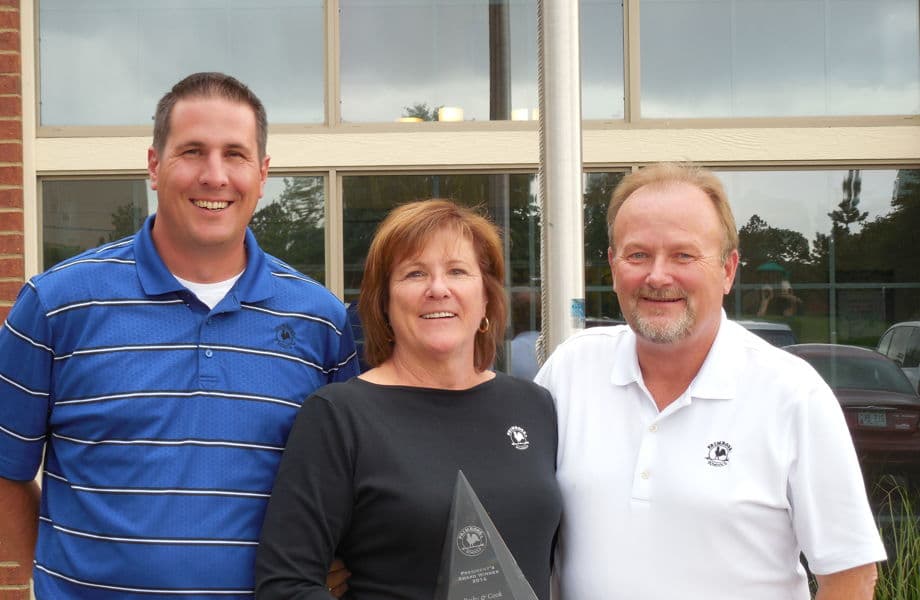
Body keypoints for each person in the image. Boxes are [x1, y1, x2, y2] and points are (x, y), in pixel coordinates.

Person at [0, 72, 359, 598]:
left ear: (262, 174)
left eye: (234, 154)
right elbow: (6, 471)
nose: (214, 176)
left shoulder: (321, 321)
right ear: (154, 165)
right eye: (192, 151)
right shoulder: (57, 306)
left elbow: (348, 486)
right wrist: (61, 576)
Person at [535, 163, 886, 600]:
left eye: (683, 255)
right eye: (637, 255)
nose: (657, 276)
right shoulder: (570, 371)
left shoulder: (792, 394)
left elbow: (851, 576)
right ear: (612, 264)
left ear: (728, 269)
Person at [255, 199, 561, 599]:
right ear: (383, 302)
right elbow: (285, 585)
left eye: (457, 271)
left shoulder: (535, 407)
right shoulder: (339, 416)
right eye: (415, 273)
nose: (438, 289)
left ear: (486, 296)